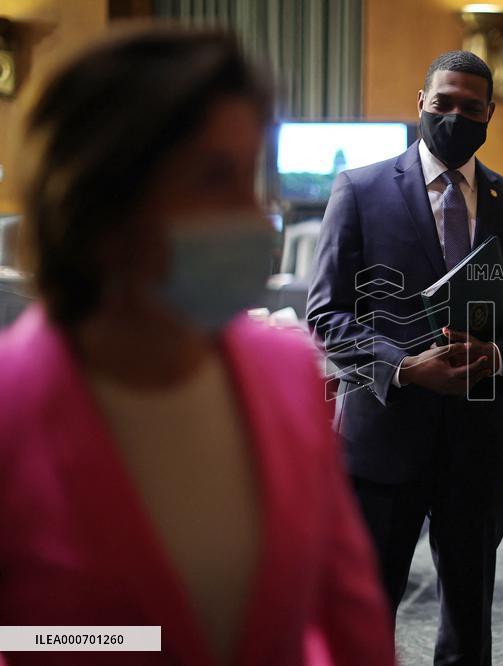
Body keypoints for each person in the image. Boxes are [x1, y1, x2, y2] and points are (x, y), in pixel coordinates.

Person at [0, 26, 394, 666]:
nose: (256, 211)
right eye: (216, 177)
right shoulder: (11, 406)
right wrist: (131, 645)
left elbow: (347, 606)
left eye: (250, 174)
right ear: (103, 202)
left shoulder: (286, 369)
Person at [307, 50, 503, 664]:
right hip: (383, 441)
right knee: (366, 616)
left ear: (490, 114)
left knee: (469, 623)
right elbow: (327, 317)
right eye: (442, 103)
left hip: (476, 443)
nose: (455, 115)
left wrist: (498, 356)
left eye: (470, 107)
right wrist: (401, 366)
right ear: (420, 103)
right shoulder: (360, 191)